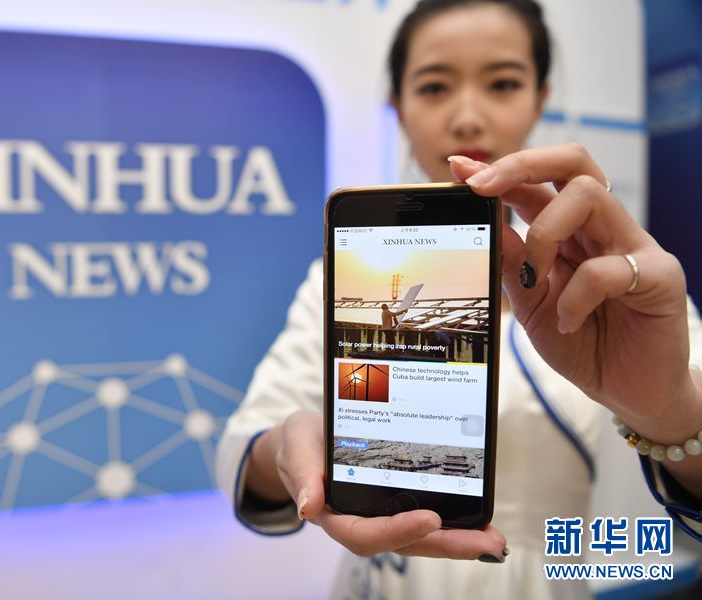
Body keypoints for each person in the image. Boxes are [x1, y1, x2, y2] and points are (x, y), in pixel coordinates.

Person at [216, 0, 702, 598]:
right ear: (398, 107)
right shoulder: (343, 276)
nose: (468, 118)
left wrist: (670, 415)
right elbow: (246, 446)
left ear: (540, 99)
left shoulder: (617, 279)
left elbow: (671, 526)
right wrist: (288, 447)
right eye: (434, 87)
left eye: (503, 83)